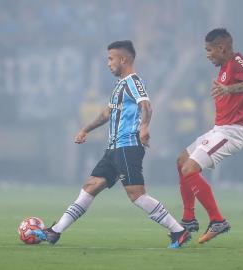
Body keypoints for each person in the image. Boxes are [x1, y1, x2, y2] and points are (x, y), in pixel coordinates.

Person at [35, 40, 191, 249]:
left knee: (136, 195)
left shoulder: (133, 82)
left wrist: (144, 127)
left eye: (111, 59)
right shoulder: (119, 85)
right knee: (90, 187)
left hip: (127, 147)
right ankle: (55, 231)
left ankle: (178, 231)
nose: (108, 64)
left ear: (123, 59)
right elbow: (106, 114)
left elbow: (147, 106)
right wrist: (85, 129)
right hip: (114, 149)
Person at [177, 28, 243, 244]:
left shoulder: (236, 61)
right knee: (181, 162)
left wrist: (229, 90)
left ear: (221, 48)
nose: (207, 54)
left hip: (231, 132)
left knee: (190, 169)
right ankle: (188, 218)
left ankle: (217, 220)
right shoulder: (225, 66)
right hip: (219, 129)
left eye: (209, 50)